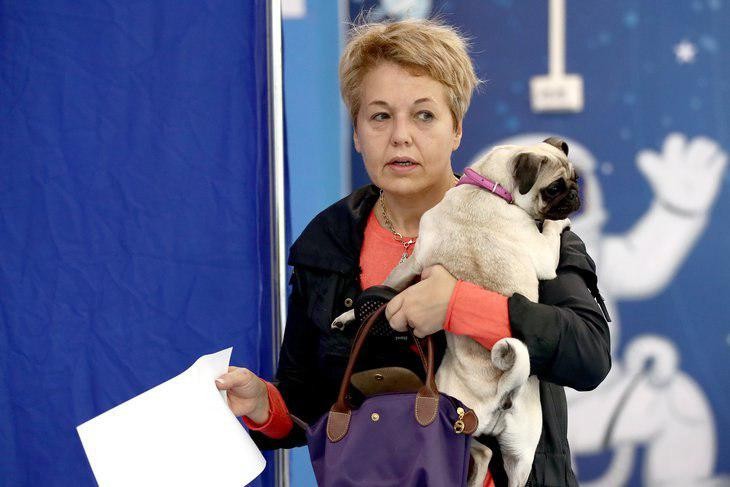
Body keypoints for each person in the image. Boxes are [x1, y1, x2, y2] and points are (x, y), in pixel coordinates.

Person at [215, 18, 610, 487]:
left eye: (424, 115)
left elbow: (588, 353)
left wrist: (459, 305)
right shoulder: (327, 243)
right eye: (380, 116)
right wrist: (265, 405)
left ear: (456, 129)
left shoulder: (530, 222)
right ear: (357, 132)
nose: (400, 136)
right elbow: (311, 404)